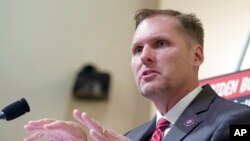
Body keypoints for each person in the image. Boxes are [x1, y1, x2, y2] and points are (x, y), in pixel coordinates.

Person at [23, 9, 250, 141]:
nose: (144, 57)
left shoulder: (238, 121)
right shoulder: (132, 136)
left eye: (160, 43)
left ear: (197, 55)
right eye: (137, 50)